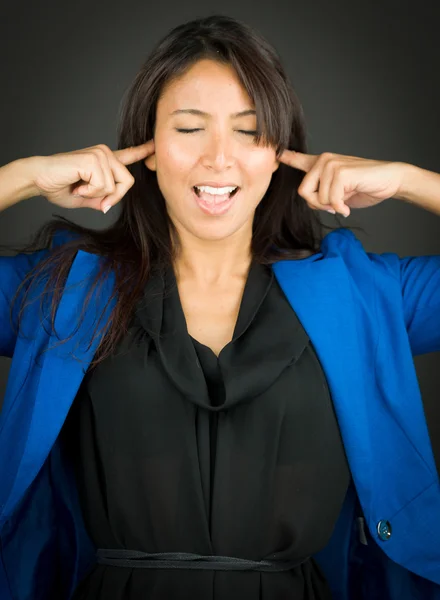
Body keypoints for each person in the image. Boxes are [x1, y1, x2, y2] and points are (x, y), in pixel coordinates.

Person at [0, 13, 439, 600]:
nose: (218, 158)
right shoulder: (65, 290)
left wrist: (410, 181)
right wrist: (25, 177)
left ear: (279, 151)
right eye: (189, 129)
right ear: (149, 148)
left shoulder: (360, 293)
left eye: (248, 130)